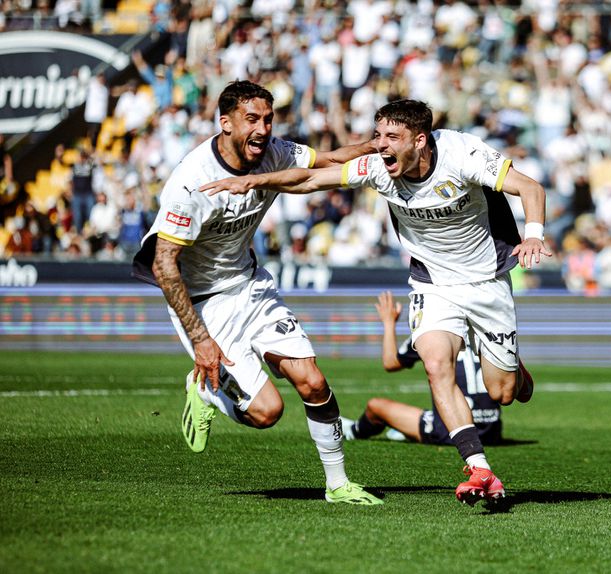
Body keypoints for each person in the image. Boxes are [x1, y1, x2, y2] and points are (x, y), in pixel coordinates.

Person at [199, 99, 551, 506]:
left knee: (503, 391)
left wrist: (535, 235)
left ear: (420, 141)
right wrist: (253, 182)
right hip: (433, 284)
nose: (379, 146)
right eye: (378, 135)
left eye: (391, 138)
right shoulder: (377, 168)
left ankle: (516, 371)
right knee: (437, 365)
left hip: (486, 280)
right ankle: (479, 468)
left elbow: (531, 187)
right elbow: (312, 180)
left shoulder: (463, 154)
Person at [132, 81, 382, 505]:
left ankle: (338, 484)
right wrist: (201, 340)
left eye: (268, 119)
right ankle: (206, 390)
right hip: (203, 302)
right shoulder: (193, 182)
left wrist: (381, 145)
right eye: (253, 119)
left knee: (313, 381)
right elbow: (163, 265)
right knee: (267, 413)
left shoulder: (275, 152)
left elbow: (332, 159)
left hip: (250, 284)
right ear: (225, 123)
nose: (264, 128)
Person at [342, 291, 503, 446]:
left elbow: (390, 363)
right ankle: (406, 429)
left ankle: (353, 431)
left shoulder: (436, 331)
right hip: (491, 430)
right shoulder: (489, 329)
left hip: (450, 430)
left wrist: (389, 322)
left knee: (375, 406)